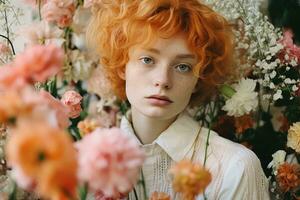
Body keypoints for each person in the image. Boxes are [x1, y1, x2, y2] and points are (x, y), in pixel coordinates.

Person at [86, 0, 270, 199]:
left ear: (199, 79)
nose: (163, 80)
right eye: (147, 60)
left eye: (183, 66)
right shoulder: (87, 161)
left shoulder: (234, 169)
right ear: (122, 66)